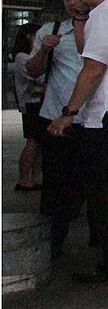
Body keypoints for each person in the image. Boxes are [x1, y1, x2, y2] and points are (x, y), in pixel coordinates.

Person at [47, 0, 108, 281]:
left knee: (105, 196)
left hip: (107, 116)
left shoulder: (107, 13)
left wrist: (68, 112)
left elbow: (93, 68)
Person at [24, 0, 87, 255]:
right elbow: (32, 71)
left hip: (91, 117)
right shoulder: (50, 31)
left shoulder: (101, 28)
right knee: (55, 182)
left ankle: (101, 240)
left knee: (88, 181)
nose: (71, 2)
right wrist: (44, 49)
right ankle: (52, 242)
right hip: (55, 116)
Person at [12, 24, 44, 191]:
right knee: (32, 141)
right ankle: (24, 178)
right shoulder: (23, 57)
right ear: (29, 37)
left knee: (38, 143)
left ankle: (35, 177)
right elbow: (38, 77)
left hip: (37, 103)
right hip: (32, 103)